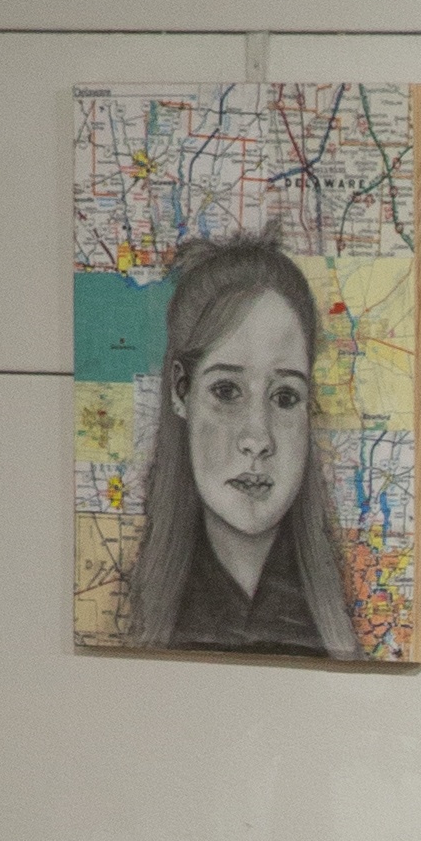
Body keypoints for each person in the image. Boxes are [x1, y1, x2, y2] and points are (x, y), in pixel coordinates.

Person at [123, 234, 357, 659]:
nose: (258, 440)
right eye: (227, 391)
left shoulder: (341, 622)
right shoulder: (132, 614)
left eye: (285, 397)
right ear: (181, 390)